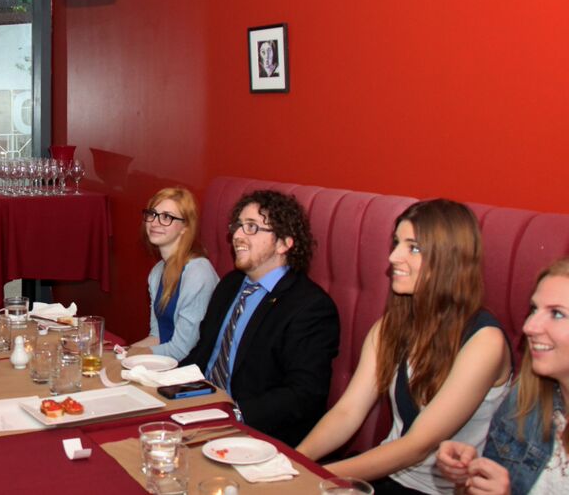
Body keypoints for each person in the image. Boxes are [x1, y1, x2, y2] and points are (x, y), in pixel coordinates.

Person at [296, 199, 513, 494]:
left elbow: (417, 446)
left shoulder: (484, 341)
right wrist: (294, 460)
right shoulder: (390, 327)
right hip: (386, 478)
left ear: (450, 259)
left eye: (414, 248)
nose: (393, 256)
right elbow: (347, 412)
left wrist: (313, 475)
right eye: (396, 243)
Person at [181, 190, 340, 447]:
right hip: (196, 411)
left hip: (253, 434)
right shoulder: (230, 285)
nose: (237, 235)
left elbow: (304, 395)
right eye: (237, 226)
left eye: (251, 227)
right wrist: (163, 386)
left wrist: (231, 414)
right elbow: (203, 353)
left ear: (284, 243)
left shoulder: (310, 307)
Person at [436, 257, 569, 495]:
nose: (529, 326)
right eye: (534, 309)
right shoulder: (526, 400)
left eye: (557, 314)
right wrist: (468, 477)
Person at [129, 187, 219, 361]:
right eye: (152, 214)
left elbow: (182, 350)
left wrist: (131, 357)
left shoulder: (198, 273)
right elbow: (158, 336)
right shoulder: (157, 272)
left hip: (193, 369)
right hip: (167, 363)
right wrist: (121, 353)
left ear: (185, 227)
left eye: (166, 217)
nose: (155, 223)